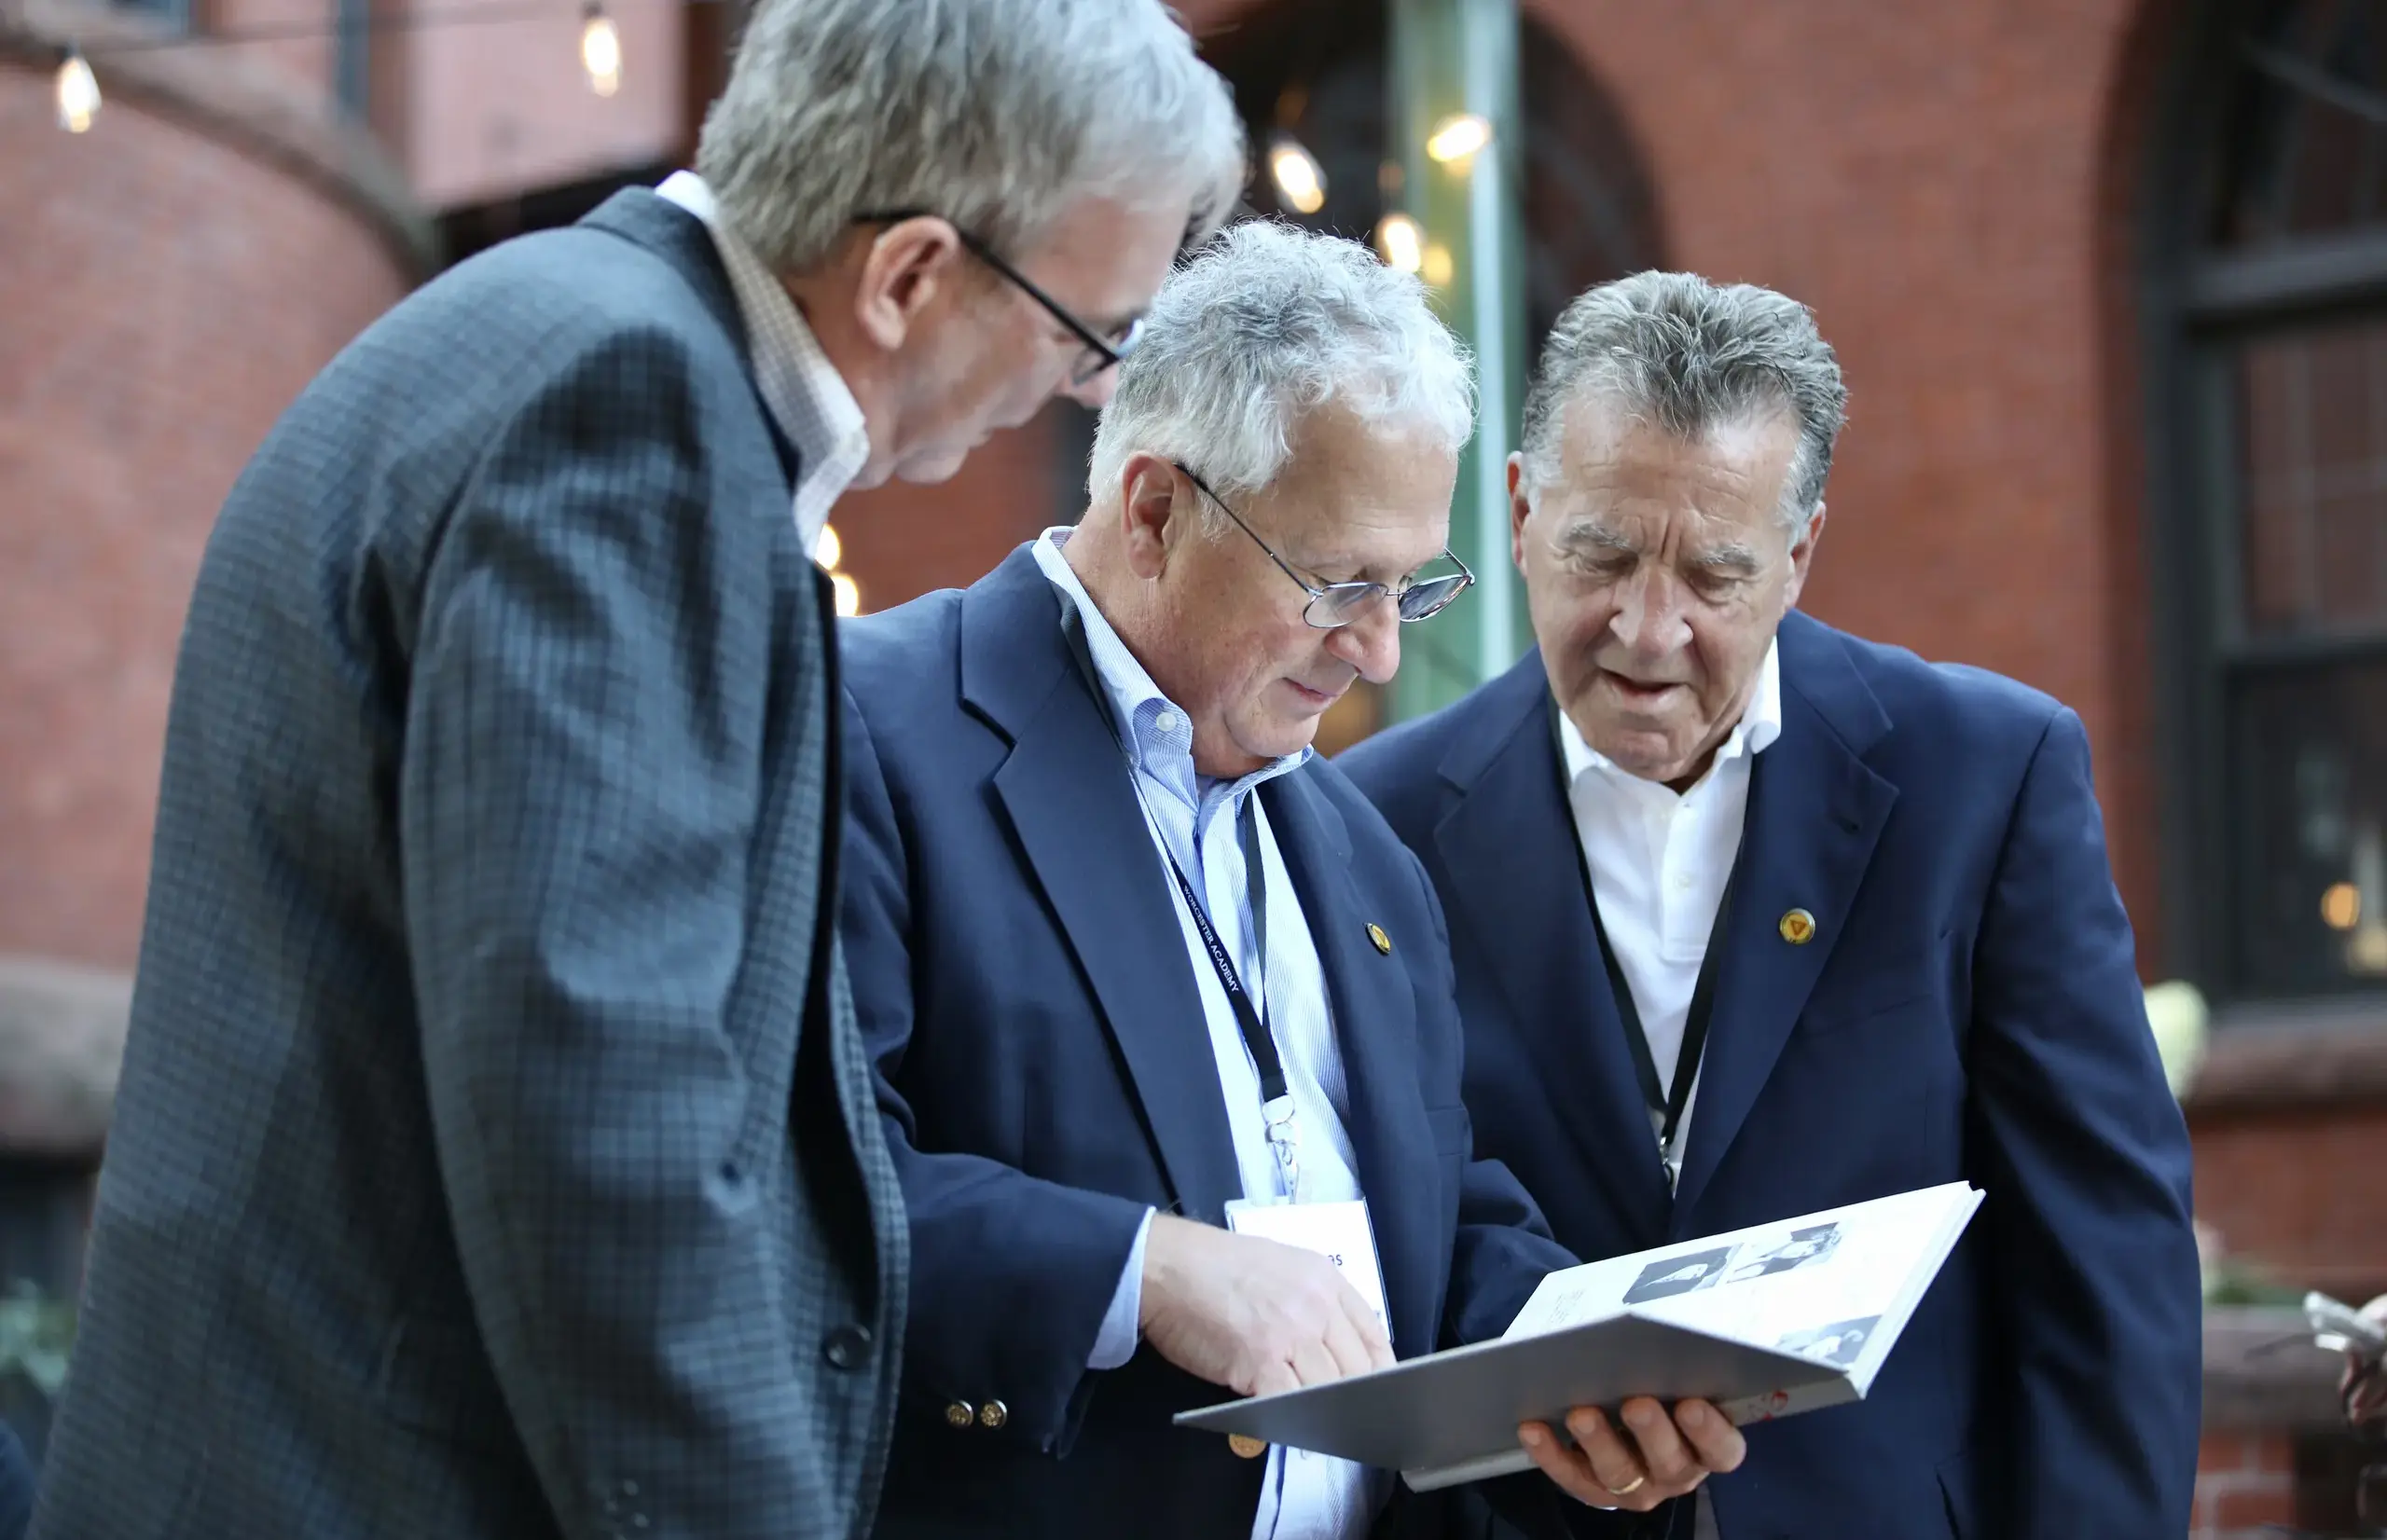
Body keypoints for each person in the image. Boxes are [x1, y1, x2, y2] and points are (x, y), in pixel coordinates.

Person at [32, 4, 1244, 1537]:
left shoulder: (562, 337)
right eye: (1088, 334)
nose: (1078, 388)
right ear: (913, 274)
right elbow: (606, 1131)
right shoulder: (628, 412)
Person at [836, 224, 1745, 1540]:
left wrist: (1590, 1369)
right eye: (1337, 586)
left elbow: (1428, 1212)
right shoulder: (870, 728)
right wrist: (1139, 1270)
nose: (1377, 651)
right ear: (1155, 510)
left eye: (1410, 588)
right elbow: (789, 1180)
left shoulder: (1362, 845)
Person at [1341, 272, 2203, 1537]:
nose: (1647, 629)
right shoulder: (1368, 820)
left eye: (1715, 575)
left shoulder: (1987, 775)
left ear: (1798, 556)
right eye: (1603, 555)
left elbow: (2106, 1261)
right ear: (1521, 511)